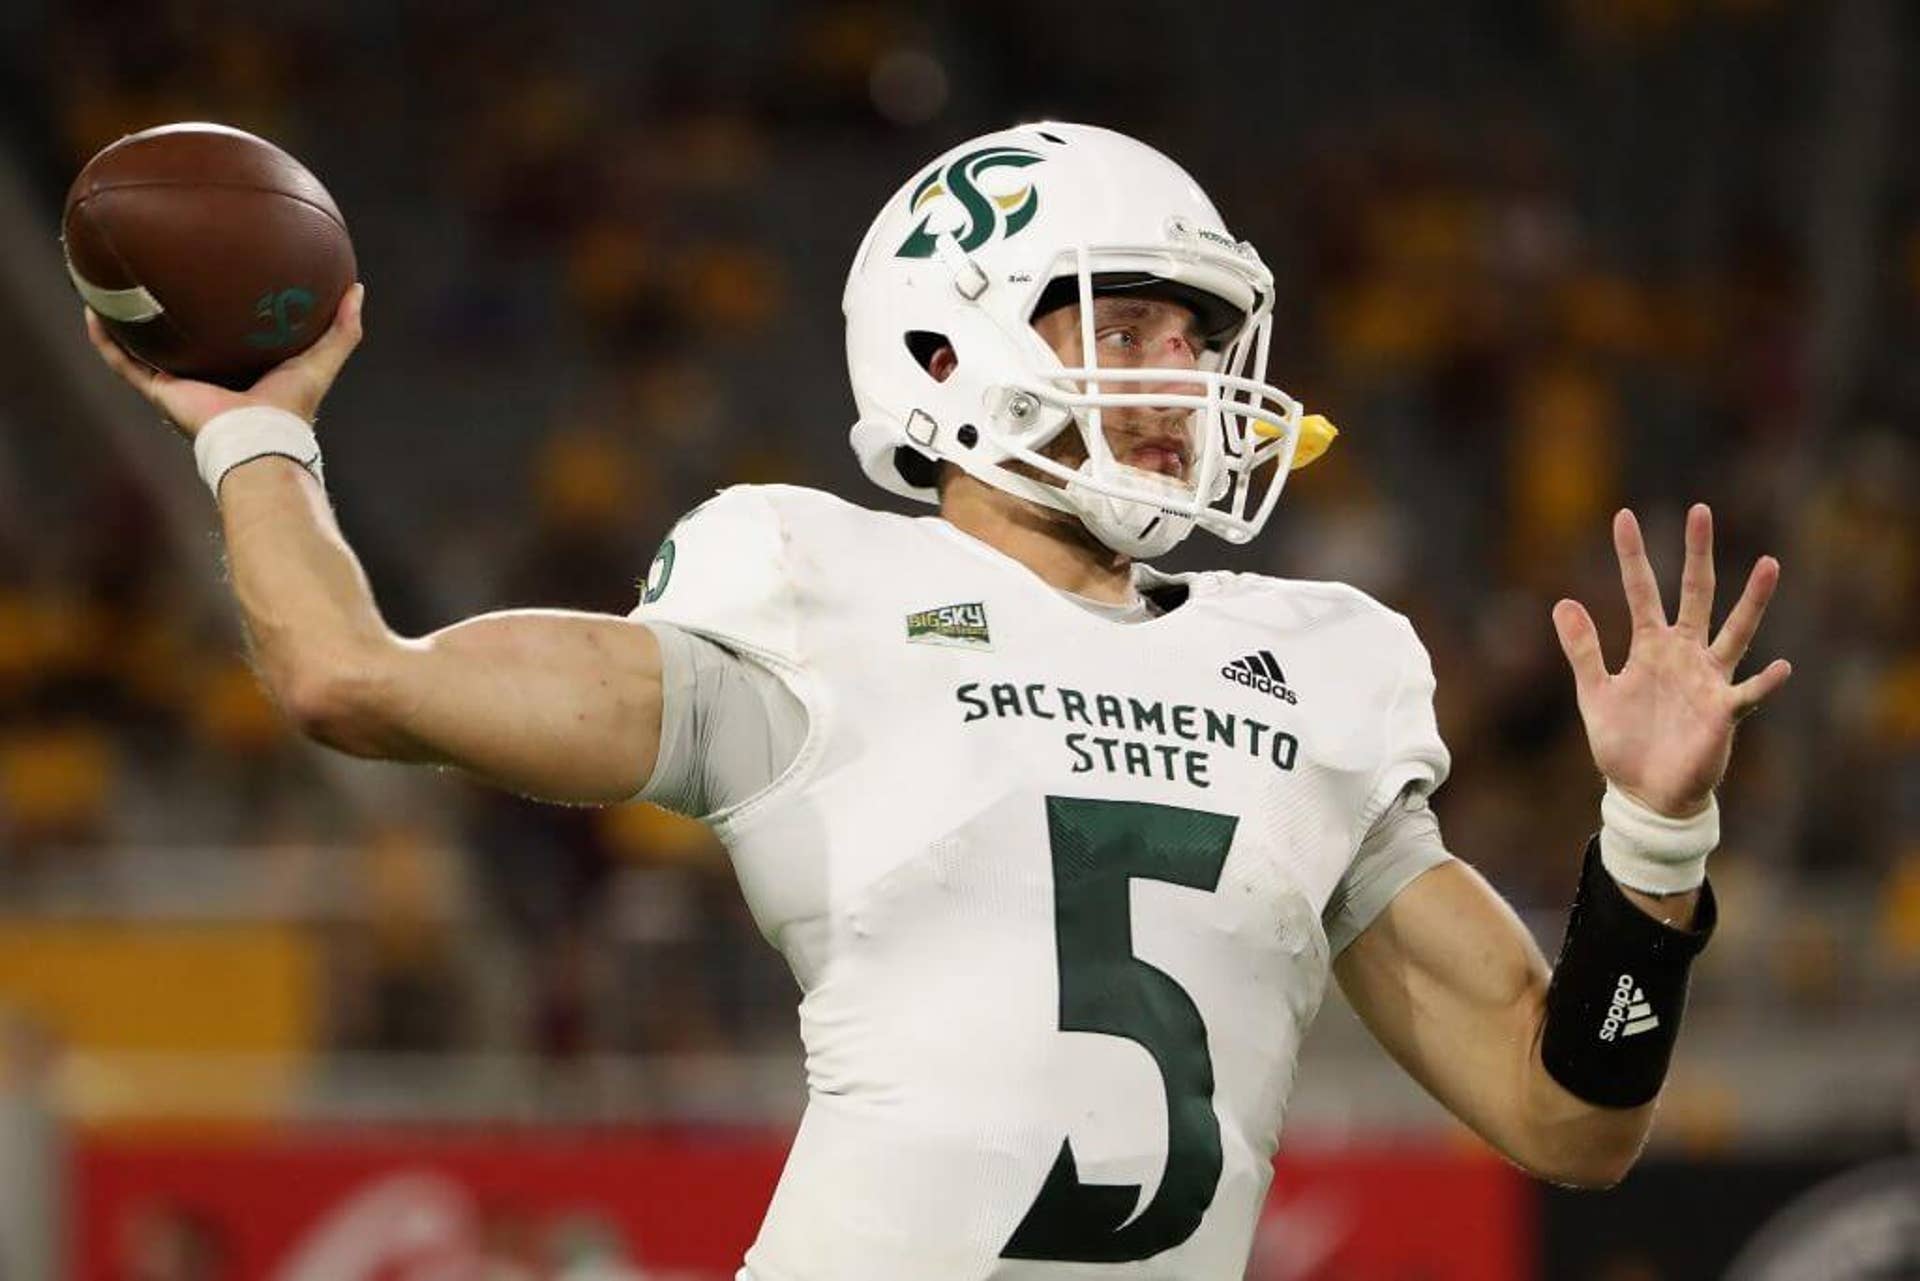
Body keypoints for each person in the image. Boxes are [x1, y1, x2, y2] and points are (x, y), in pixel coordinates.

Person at [85, 122, 1792, 1281]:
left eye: (1200, 336)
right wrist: (252, 427)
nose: (1183, 375)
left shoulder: (1320, 663)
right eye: (1128, 321)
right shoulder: (817, 593)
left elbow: (1571, 1116)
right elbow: (351, 677)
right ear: (942, 342)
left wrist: (1651, 837)